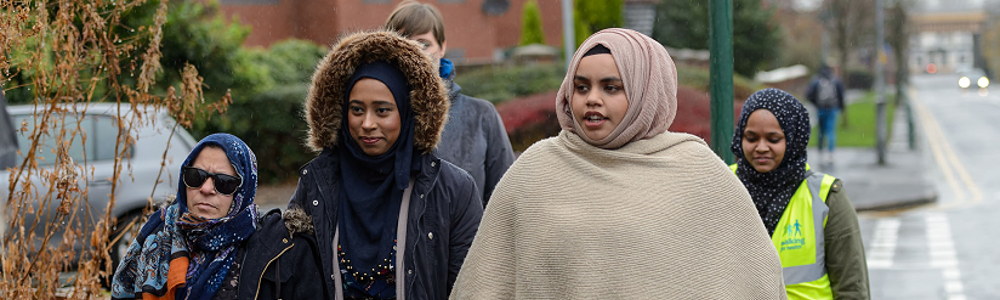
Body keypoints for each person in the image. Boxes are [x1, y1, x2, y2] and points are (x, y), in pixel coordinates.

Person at [449, 28, 786, 299]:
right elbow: (486, 282)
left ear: (648, 92)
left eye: (611, 87)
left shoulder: (700, 172)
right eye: (581, 87)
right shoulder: (534, 171)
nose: (592, 98)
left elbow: (754, 280)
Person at [289, 30, 483, 300]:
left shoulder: (453, 190)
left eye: (382, 110)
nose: (367, 123)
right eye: (357, 109)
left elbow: (471, 289)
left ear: (407, 112)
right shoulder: (316, 183)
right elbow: (291, 278)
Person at [111, 133, 323, 300]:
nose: (206, 189)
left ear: (244, 189)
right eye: (196, 176)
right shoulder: (156, 234)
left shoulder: (282, 248)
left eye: (224, 182)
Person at [730, 88, 870, 299]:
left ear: (793, 139)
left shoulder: (827, 196)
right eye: (751, 138)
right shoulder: (723, 186)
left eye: (773, 139)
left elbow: (851, 288)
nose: (760, 147)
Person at [385, 0, 515, 206]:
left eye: (424, 43)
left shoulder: (481, 115)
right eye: (404, 43)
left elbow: (506, 200)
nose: (415, 52)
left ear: (442, 47)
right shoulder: (376, 120)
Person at [806, 64, 845, 163]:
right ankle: (831, 154)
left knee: (821, 131)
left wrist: (816, 104)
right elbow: (841, 95)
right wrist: (841, 107)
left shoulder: (816, 81)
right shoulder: (835, 80)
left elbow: (809, 95)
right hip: (832, 109)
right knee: (831, 131)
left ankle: (820, 153)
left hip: (820, 109)